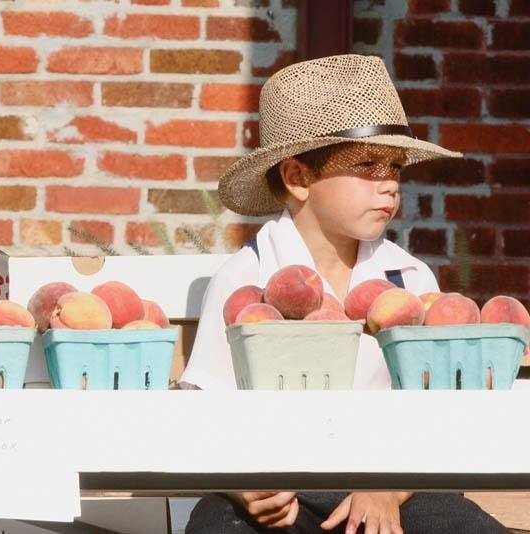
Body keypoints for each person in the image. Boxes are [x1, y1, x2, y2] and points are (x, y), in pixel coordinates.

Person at [180, 54, 509, 534]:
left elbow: (434, 417)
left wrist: (386, 490)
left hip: (390, 483)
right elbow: (206, 409)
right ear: (298, 179)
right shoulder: (247, 279)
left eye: (395, 168)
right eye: (367, 165)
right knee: (218, 524)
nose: (390, 184)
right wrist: (241, 485)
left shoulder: (409, 279)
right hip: (283, 486)